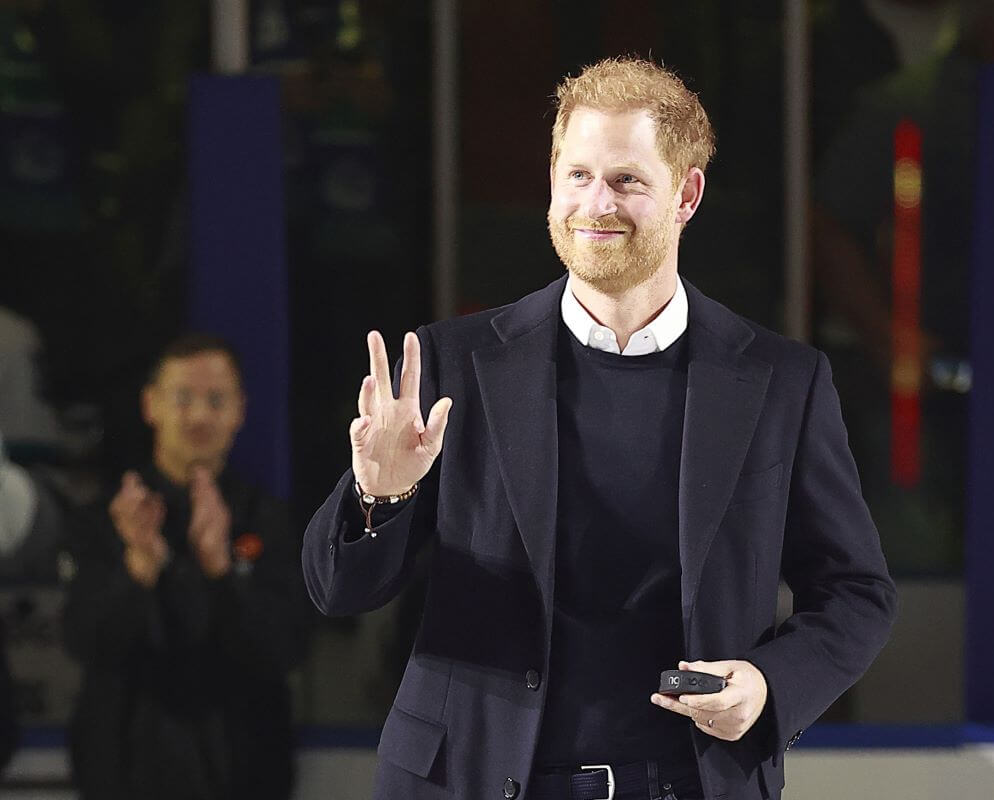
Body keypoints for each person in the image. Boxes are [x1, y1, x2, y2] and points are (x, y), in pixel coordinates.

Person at [303, 57, 897, 800]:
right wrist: (377, 497)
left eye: (626, 180)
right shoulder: (455, 365)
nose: (596, 203)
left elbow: (856, 592)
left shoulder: (782, 384)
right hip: (470, 782)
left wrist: (769, 684)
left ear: (687, 193)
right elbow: (338, 593)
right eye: (576, 174)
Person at [62, 335, 310, 800]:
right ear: (150, 405)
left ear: (239, 410)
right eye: (183, 399)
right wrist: (138, 565)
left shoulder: (268, 521)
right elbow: (83, 641)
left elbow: (286, 648)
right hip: (124, 774)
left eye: (216, 400)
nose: (199, 416)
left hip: (244, 774)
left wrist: (221, 570)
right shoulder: (108, 518)